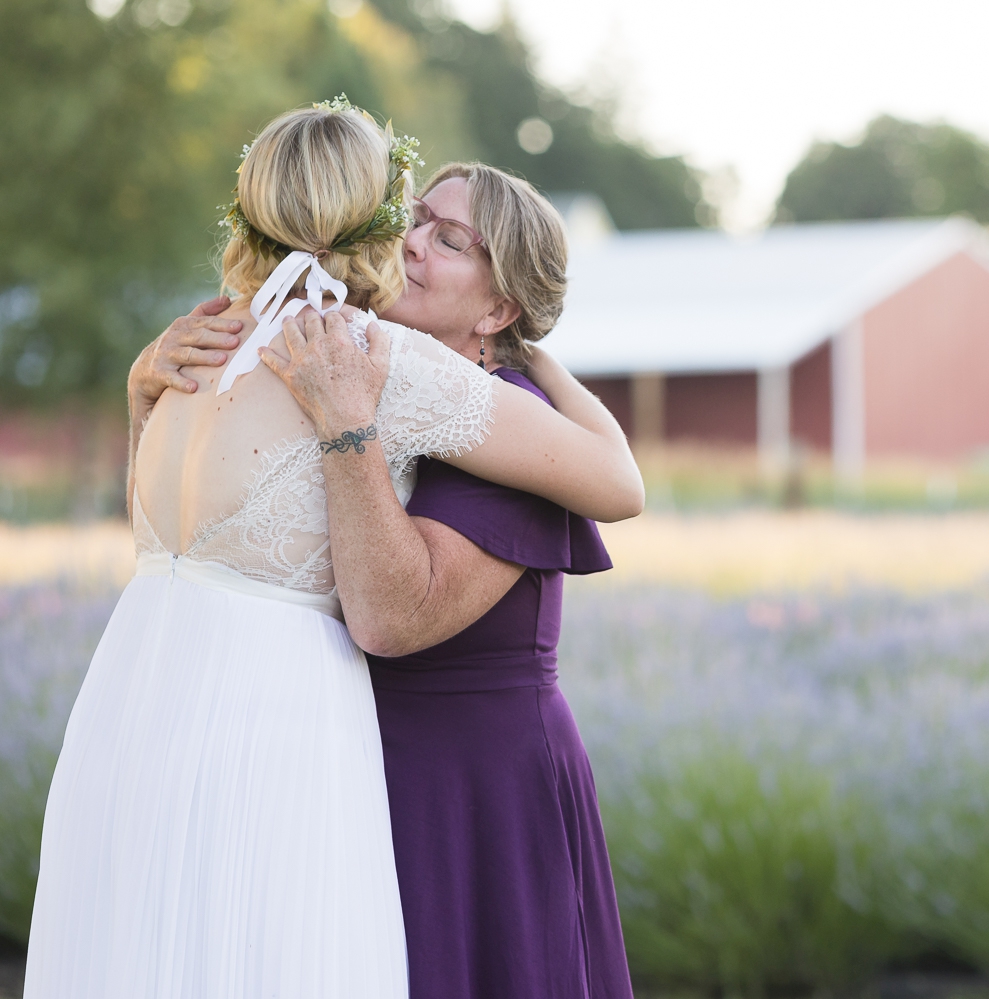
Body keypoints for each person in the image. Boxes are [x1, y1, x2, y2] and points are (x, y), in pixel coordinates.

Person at [25, 102, 642, 999]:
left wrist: (532, 362)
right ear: (373, 218)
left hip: (178, 719)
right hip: (281, 733)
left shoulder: (233, 351)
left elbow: (617, 482)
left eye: (450, 239)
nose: (417, 242)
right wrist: (141, 397)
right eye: (413, 217)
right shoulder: (321, 351)